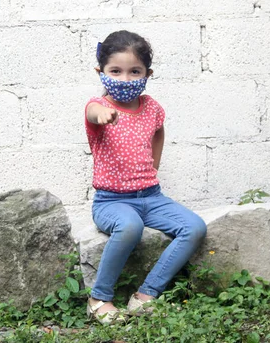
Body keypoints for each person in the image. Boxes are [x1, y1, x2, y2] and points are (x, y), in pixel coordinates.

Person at [84, 30, 207, 324]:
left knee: (194, 227)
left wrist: (154, 163)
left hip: (151, 196)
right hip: (111, 201)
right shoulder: (98, 106)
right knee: (130, 226)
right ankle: (99, 297)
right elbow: (92, 112)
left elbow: (159, 130)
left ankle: (146, 295)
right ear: (101, 72)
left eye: (134, 71)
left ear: (147, 74)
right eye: (116, 71)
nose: (125, 79)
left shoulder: (151, 107)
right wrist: (101, 115)